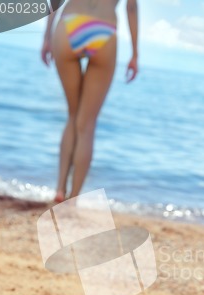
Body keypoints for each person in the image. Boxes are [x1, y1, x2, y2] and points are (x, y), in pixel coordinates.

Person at [41, 0, 139, 203]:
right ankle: (73, 198)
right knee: (86, 124)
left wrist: (47, 36)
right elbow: (131, 7)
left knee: (73, 115)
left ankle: (60, 189)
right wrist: (135, 53)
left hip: (70, 24)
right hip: (103, 27)